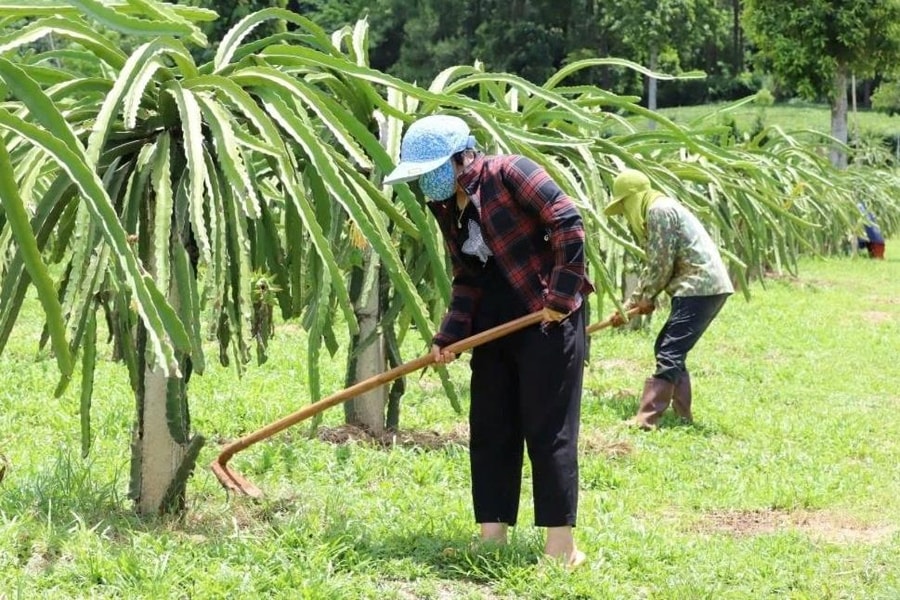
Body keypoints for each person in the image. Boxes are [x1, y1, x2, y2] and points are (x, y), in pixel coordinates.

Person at [383, 115, 593, 568]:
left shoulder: (511, 172)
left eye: (429, 171)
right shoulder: (445, 207)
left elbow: (569, 224)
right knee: (491, 423)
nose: (424, 183)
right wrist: (451, 336)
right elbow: (468, 277)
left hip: (546, 313)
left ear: (461, 158)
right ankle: (491, 535)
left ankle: (562, 548)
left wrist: (560, 296)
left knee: (547, 428)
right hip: (493, 318)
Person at [604, 169, 733, 429]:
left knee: (670, 350)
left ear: (633, 197)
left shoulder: (658, 211)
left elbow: (659, 263)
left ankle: (647, 418)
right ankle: (682, 414)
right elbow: (660, 264)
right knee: (669, 346)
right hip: (702, 286)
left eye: (624, 206)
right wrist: (636, 302)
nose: (626, 214)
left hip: (698, 286)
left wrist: (638, 300)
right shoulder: (662, 207)